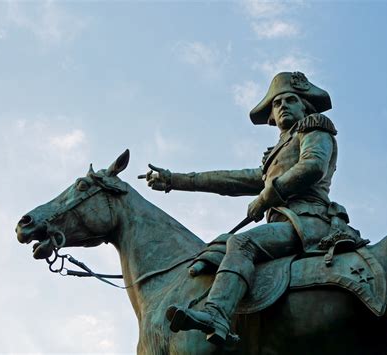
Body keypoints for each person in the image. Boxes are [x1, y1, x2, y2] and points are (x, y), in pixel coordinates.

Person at [141, 72, 361, 345]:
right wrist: (175, 180)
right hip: (285, 224)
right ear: (271, 116)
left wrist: (267, 196)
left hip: (308, 220)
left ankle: (217, 314)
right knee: (218, 247)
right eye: (277, 104)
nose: (283, 106)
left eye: (290, 100)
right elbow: (230, 180)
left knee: (242, 243)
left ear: (304, 105)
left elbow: (312, 166)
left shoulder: (314, 129)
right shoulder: (275, 156)